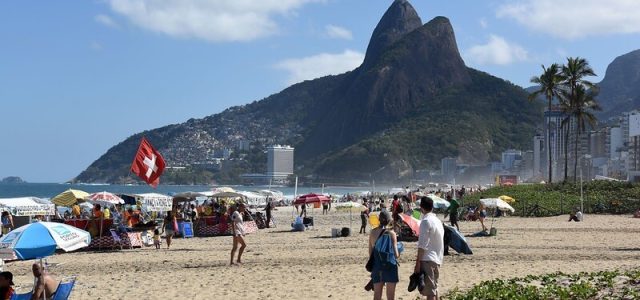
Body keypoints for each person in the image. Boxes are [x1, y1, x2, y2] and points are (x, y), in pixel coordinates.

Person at [414, 197, 444, 300]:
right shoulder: (437, 221)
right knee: (434, 288)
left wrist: (417, 263)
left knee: (430, 292)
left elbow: (422, 245)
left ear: (421, 208)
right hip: (437, 258)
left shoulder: (426, 221)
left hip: (428, 259)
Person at [368, 211, 400, 300]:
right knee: (390, 296)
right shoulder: (392, 233)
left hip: (377, 266)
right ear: (389, 220)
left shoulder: (372, 232)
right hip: (390, 266)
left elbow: (370, 253)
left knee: (377, 295)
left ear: (379, 220)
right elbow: (396, 254)